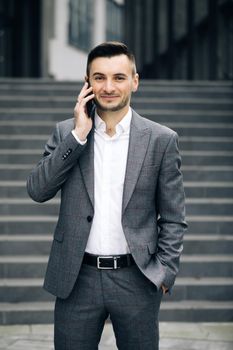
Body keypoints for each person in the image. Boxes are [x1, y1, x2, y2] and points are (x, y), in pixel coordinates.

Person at [27, 41, 187, 350]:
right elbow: (38, 190)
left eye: (119, 77)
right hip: (77, 279)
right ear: (87, 84)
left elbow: (174, 217)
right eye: (99, 77)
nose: (108, 86)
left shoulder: (161, 140)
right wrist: (78, 136)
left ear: (134, 81)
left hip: (137, 280)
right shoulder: (66, 134)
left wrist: (163, 274)